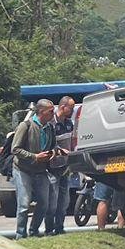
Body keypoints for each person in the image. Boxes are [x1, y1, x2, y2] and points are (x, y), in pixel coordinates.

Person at [10, 99, 57, 238]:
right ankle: (20, 235)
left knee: (44, 203)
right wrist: (35, 157)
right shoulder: (26, 126)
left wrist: (53, 153)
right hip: (22, 170)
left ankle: (34, 232)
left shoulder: (50, 128)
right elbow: (15, 149)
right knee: (24, 204)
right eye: (50, 111)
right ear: (41, 112)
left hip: (41, 171)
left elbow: (53, 146)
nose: (53, 114)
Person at [47, 96, 78, 236]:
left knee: (64, 202)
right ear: (63, 107)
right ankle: (49, 229)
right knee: (52, 201)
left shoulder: (69, 123)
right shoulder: (51, 122)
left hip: (65, 167)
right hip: (52, 168)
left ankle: (60, 227)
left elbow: (72, 142)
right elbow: (47, 142)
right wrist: (58, 150)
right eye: (70, 108)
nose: (72, 110)